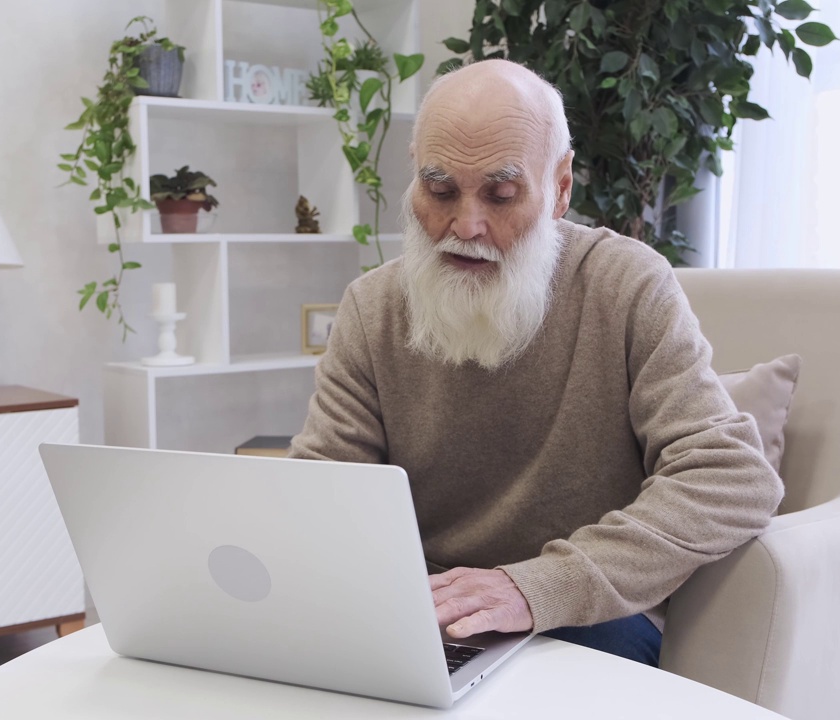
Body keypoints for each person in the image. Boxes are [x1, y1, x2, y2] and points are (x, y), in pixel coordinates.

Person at [288, 60, 783, 667]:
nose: (466, 225)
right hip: (425, 609)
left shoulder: (625, 284)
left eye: (501, 194)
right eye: (440, 190)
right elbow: (323, 491)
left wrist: (537, 586)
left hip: (587, 614)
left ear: (561, 188)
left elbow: (733, 476)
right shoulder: (374, 306)